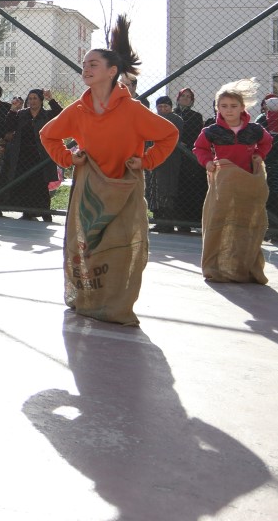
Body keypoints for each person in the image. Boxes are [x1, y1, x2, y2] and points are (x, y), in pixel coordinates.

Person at [40, 16, 178, 325]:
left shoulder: (132, 110)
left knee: (120, 248)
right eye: (85, 64)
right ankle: (87, 299)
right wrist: (68, 157)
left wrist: (147, 161)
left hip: (125, 188)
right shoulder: (78, 109)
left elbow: (169, 134)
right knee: (87, 247)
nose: (86, 69)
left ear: (112, 71)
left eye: (93, 64)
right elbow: (48, 134)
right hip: (90, 189)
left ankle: (116, 306)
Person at [193, 79, 275, 280]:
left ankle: (246, 265)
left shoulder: (254, 129)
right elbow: (199, 148)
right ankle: (216, 267)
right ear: (217, 107)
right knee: (220, 220)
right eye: (223, 106)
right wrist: (207, 162)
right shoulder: (211, 131)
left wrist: (259, 155)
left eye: (233, 106)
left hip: (247, 181)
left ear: (242, 107)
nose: (228, 110)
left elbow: (267, 142)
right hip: (223, 183)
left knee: (247, 221)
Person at [3, 88, 61, 221]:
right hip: (23, 156)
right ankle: (27, 212)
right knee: (25, 184)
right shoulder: (22, 114)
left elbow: (61, 114)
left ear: (41, 100)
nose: (32, 101)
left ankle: (45, 213)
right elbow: (8, 126)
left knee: (41, 185)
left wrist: (51, 100)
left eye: (35, 98)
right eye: (30, 98)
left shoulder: (46, 115)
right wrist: (12, 110)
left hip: (40, 156)